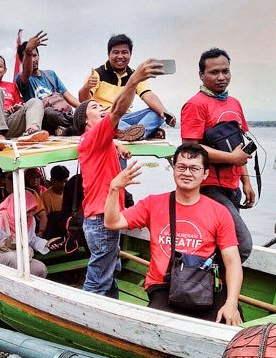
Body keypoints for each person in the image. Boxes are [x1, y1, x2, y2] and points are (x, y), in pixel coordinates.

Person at [104, 143, 243, 325]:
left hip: (203, 284)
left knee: (233, 324)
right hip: (164, 286)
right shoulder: (153, 204)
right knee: (155, 329)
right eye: (182, 167)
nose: (187, 173)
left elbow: (233, 262)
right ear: (173, 169)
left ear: (205, 174)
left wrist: (231, 303)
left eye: (194, 168)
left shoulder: (219, 211)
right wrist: (114, 189)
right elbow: (112, 222)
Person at [75, 58, 165, 298]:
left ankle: (112, 304)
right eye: (94, 107)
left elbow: (111, 125)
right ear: (85, 121)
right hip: (101, 220)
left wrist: (115, 144)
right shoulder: (93, 136)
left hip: (101, 218)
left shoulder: (100, 140)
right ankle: (86, 318)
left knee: (108, 271)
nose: (101, 109)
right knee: (97, 281)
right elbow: (117, 111)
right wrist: (134, 80)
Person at [180, 48, 254, 262]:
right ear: (201, 75)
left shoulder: (234, 104)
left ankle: (214, 290)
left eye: (225, 71)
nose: (221, 77)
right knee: (242, 246)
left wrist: (246, 182)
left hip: (233, 188)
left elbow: (241, 149)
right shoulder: (196, 104)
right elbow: (191, 151)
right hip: (208, 187)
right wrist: (232, 159)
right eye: (214, 72)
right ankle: (209, 287)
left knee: (223, 245)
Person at [78, 34, 175, 141]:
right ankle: (139, 132)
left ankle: (132, 133)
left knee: (157, 113)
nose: (120, 56)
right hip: (106, 117)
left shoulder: (135, 75)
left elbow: (148, 95)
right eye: (116, 52)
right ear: (109, 54)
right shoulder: (97, 73)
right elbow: (83, 101)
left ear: (130, 54)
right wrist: (87, 87)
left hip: (126, 117)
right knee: (111, 119)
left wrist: (165, 113)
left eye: (124, 52)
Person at [0, 191, 63, 277]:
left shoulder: (30, 220)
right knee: (13, 258)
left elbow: (32, 240)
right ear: (17, 207)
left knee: (40, 268)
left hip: (20, 259)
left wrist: (47, 243)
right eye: (27, 211)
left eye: (33, 210)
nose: (31, 214)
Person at [16, 31, 80, 136]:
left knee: (80, 113)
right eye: (29, 56)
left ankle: (70, 129)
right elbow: (26, 72)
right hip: (43, 119)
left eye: (35, 55)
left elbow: (67, 96)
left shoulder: (50, 74)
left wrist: (85, 108)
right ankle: (77, 126)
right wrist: (28, 50)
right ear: (22, 60)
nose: (33, 59)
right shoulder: (22, 78)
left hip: (61, 114)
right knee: (48, 112)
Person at [41, 165, 70, 238]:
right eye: (60, 182)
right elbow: (46, 218)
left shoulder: (71, 193)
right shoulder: (46, 196)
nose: (63, 185)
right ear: (52, 181)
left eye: (65, 181)